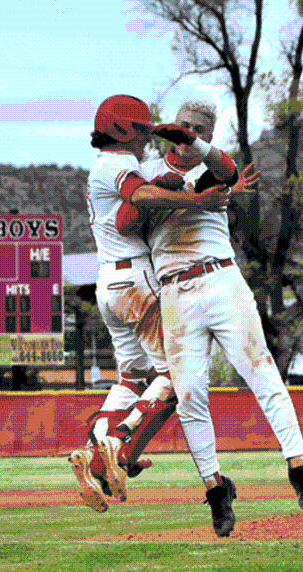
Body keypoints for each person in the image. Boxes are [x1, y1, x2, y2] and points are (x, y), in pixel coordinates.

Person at [132, 98, 303, 537]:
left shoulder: (212, 169)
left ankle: (299, 466)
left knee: (261, 370)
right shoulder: (146, 174)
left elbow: (227, 169)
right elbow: (130, 203)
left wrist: (194, 145)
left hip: (219, 278)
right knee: (191, 392)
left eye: (197, 128)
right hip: (175, 288)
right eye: (182, 125)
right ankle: (216, 488)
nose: (187, 132)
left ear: (208, 135)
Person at [68, 94, 233, 512]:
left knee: (131, 377)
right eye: (141, 132)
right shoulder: (119, 163)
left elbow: (127, 213)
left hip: (108, 281)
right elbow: (137, 198)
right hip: (136, 277)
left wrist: (162, 186)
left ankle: (91, 454)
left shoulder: (100, 167)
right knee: (175, 373)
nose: (146, 142)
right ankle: (119, 445)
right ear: (125, 131)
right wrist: (195, 200)